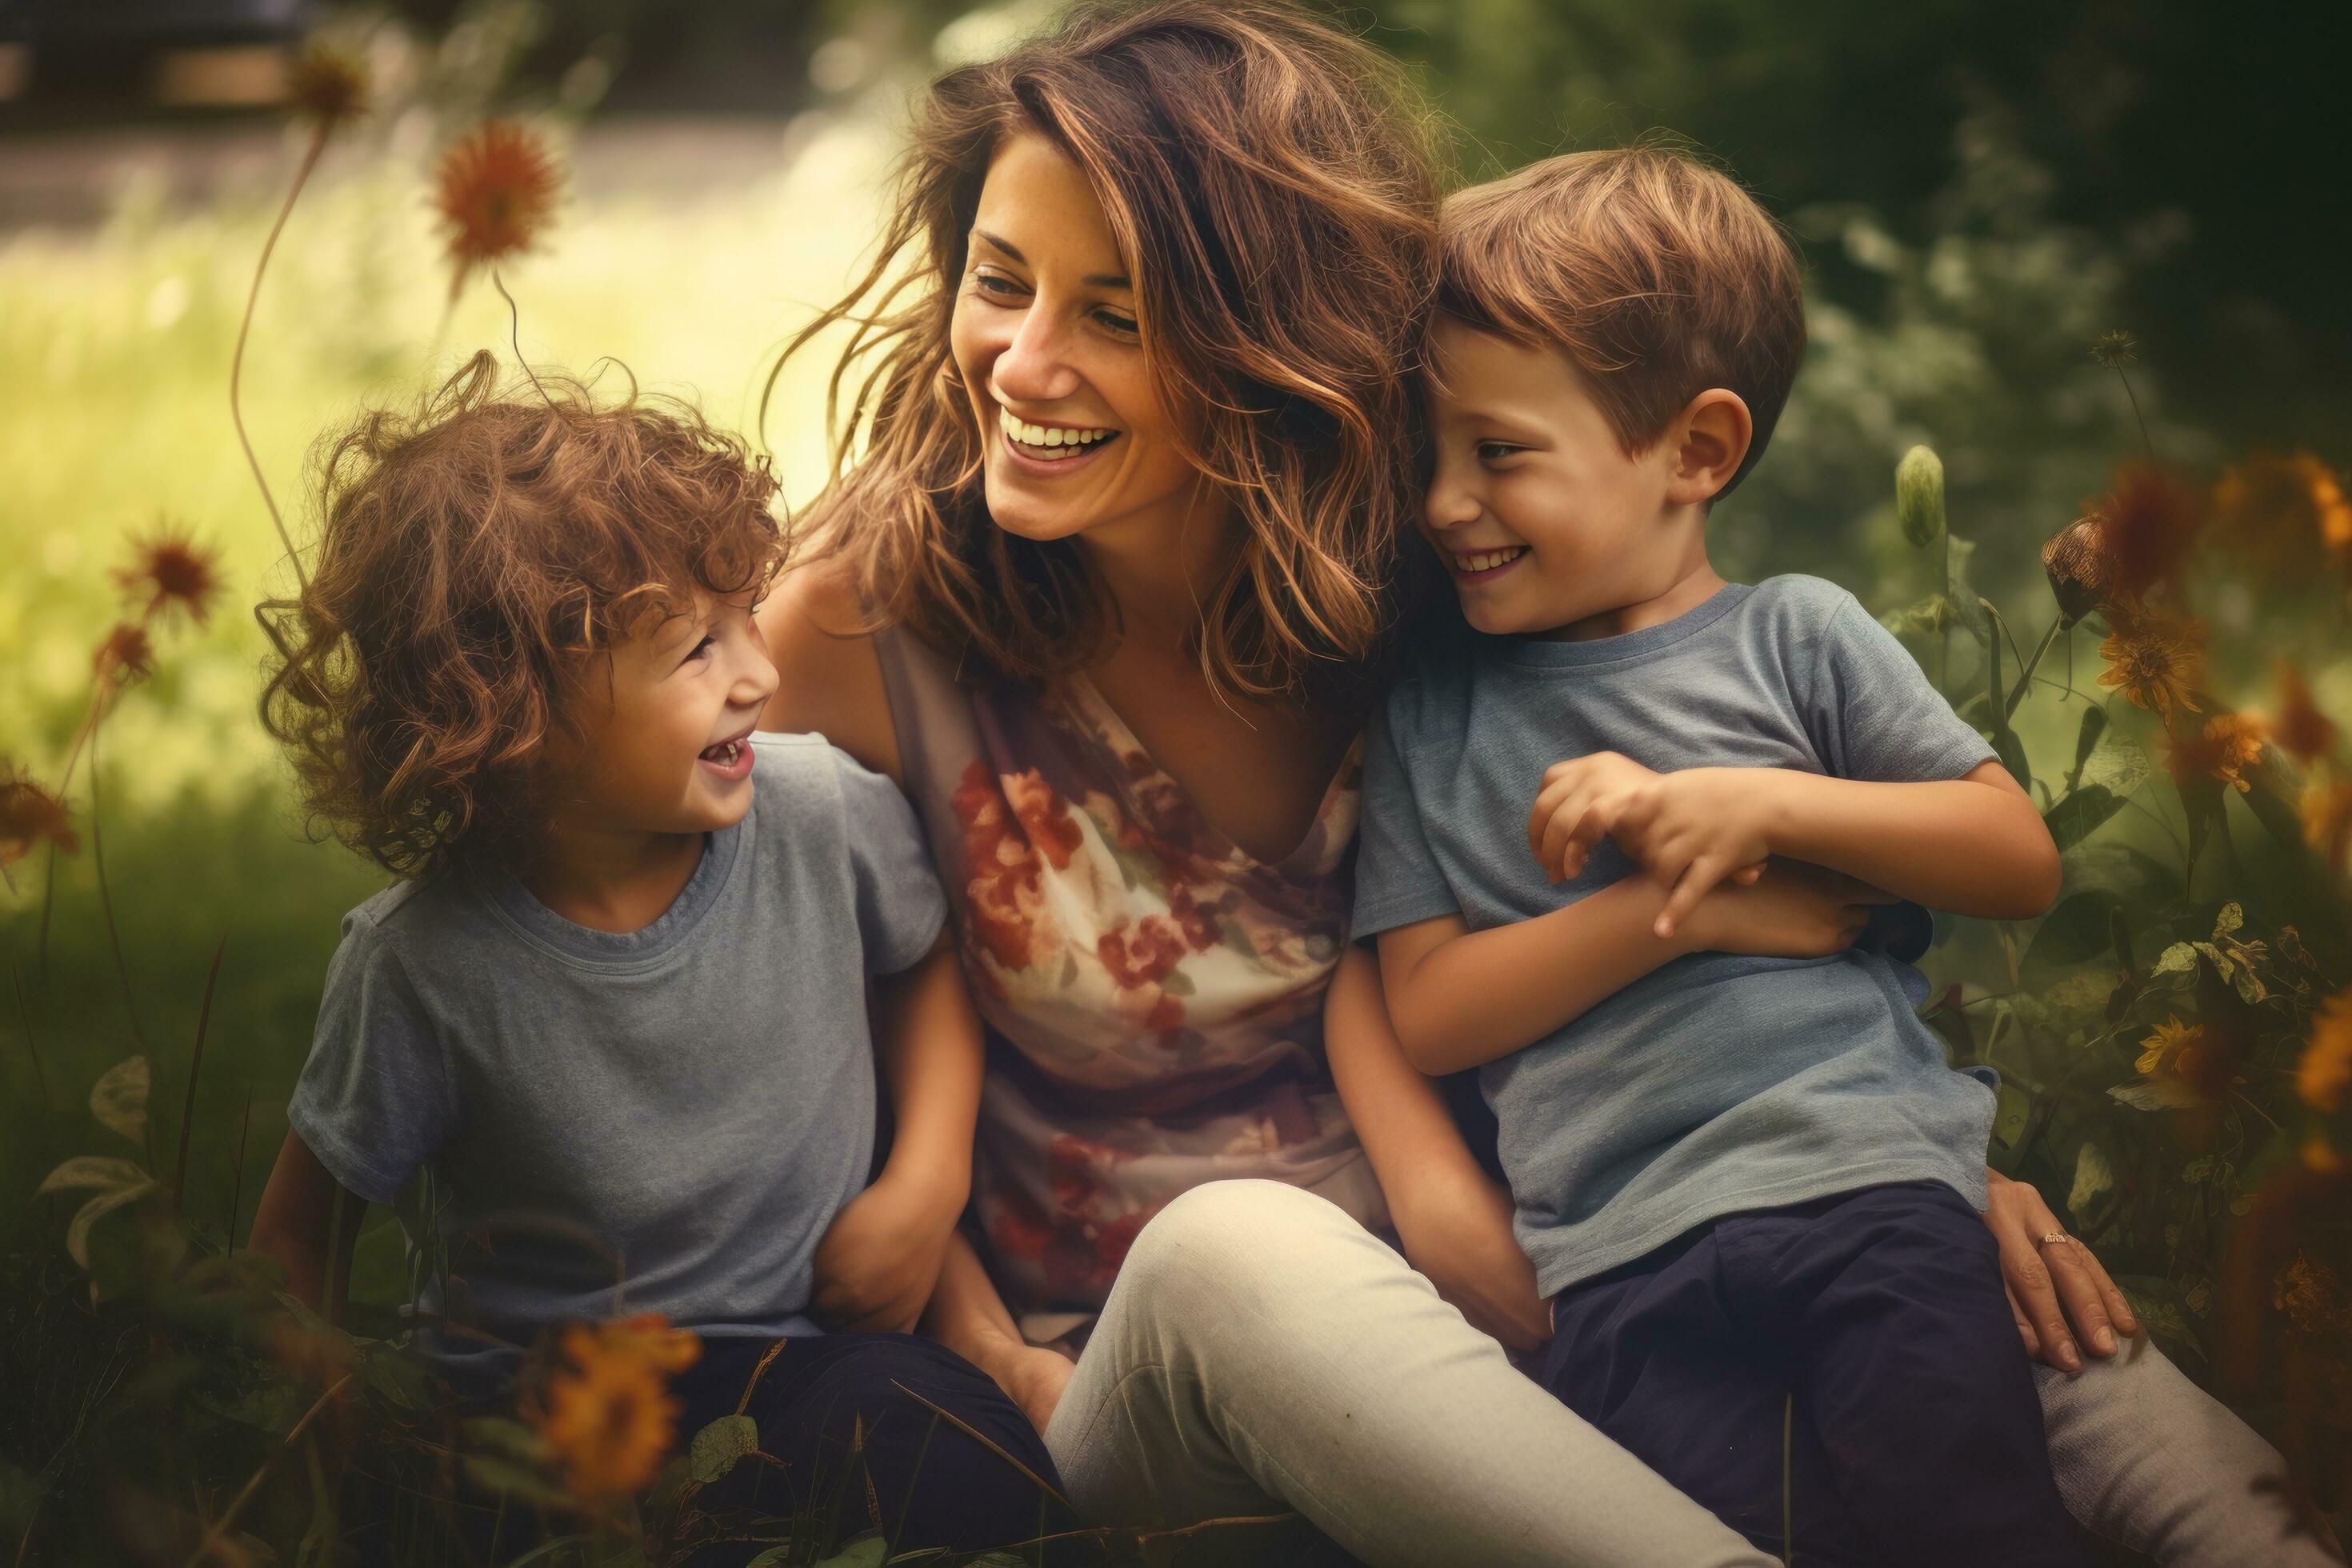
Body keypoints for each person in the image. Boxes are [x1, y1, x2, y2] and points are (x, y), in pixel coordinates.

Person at [762, 3, 2338, 1563]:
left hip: (1589, 1269)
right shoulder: (868, 618)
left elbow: (1700, 911)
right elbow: (808, 1068)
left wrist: (1898, 1153)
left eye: (1116, 312)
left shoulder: (1435, 578)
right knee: (1233, 1251)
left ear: (1269, 347)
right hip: (1169, 1352)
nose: (1024, 359)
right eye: (999, 279)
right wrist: (982, 1348)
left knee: (1989, 1307)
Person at [1355, 143, 2082, 1565]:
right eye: (1426, 456)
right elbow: (1430, 1011)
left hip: (1865, 1187)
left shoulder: (1797, 637)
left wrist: (1765, 807)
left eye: (1499, 454)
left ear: (1696, 452)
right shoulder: (1429, 713)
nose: (1444, 503)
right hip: (1614, 1257)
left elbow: (2014, 856)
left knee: (1965, 1518)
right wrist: (1674, 915)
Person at [245, 354, 1058, 1557]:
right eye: (697, 651)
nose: (762, 673)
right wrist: (332, 1418)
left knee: (948, 1442)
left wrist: (924, 1187)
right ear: (513, 718)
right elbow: (301, 1227)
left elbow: (927, 962)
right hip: (533, 1407)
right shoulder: (423, 964)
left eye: (747, 619)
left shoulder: (818, 814)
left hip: (797, 1362)